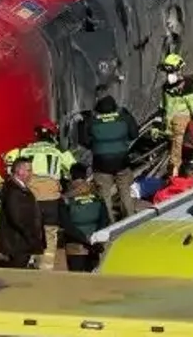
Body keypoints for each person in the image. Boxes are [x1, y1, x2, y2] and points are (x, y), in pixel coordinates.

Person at [82, 92, 138, 222]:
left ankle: (109, 223)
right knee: (125, 192)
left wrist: (96, 146)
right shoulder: (123, 115)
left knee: (104, 196)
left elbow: (84, 140)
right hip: (122, 161)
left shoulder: (91, 119)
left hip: (101, 163)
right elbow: (134, 134)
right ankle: (130, 219)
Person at [0, 162, 48, 269]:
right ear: (19, 171)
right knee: (17, 274)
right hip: (19, 243)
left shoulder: (21, 188)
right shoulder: (14, 190)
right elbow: (16, 217)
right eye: (28, 170)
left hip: (22, 242)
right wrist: (31, 235)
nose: (31, 174)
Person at [160, 54, 193, 179]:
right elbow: (165, 108)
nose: (169, 74)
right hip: (171, 131)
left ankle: (178, 182)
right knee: (174, 158)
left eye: (171, 70)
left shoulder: (189, 86)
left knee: (178, 159)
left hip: (184, 131)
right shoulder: (167, 87)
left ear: (179, 70)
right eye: (167, 71)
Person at [60, 167, 109, 272]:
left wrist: (84, 238)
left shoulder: (66, 198)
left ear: (70, 178)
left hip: (75, 245)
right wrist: (95, 237)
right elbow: (105, 219)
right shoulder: (97, 194)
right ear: (86, 177)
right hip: (95, 243)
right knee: (92, 276)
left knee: (76, 279)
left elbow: (66, 225)